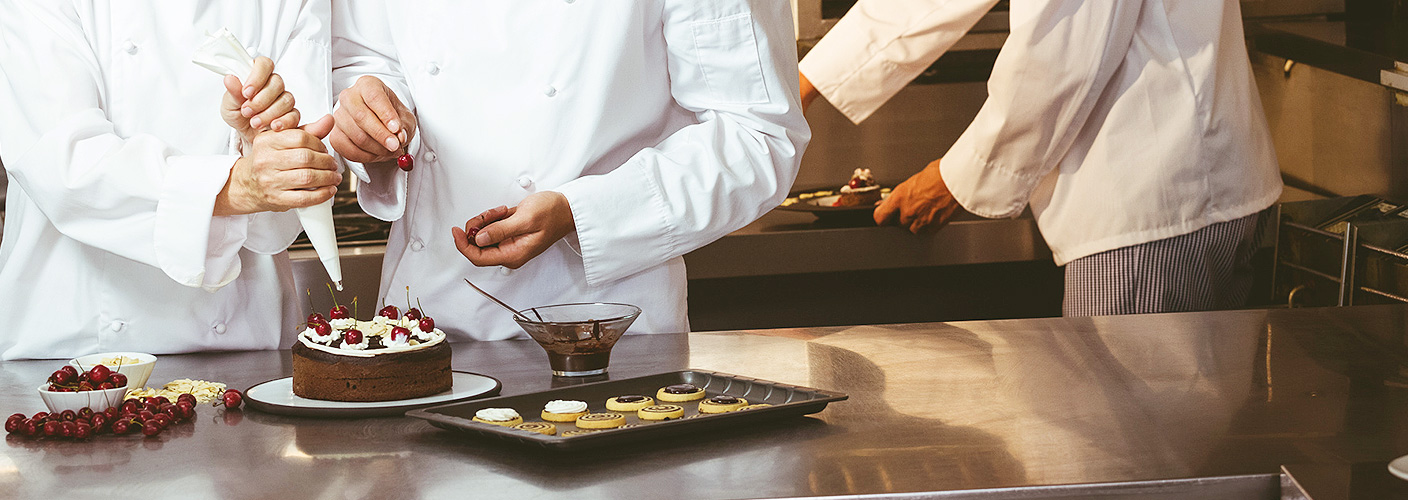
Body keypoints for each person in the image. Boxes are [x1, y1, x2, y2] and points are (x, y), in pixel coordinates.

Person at [328, 1, 810, 341]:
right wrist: (371, 115)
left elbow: (758, 136)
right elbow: (361, 57)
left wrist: (580, 212)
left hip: (603, 330)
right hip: (422, 325)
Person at [799, 0, 1281, 315]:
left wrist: (954, 179)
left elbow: (1062, 54)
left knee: (1116, 440)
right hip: (1193, 189)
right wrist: (803, 83)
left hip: (1151, 210)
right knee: (1186, 436)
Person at [0, 0, 338, 362]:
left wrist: (260, 144)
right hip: (68, 346)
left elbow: (304, 174)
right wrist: (237, 186)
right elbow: (63, 164)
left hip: (246, 343)